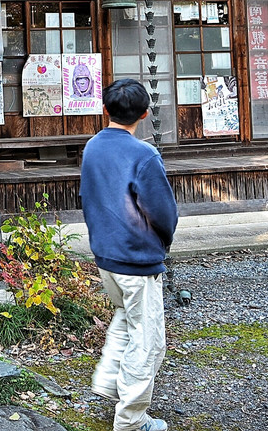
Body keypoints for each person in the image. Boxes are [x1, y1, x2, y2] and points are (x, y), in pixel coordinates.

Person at [80, 78, 178, 431]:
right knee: (148, 340)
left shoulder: (92, 147)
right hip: (137, 258)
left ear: (105, 109)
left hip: (106, 255)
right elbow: (163, 212)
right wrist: (162, 243)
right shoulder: (144, 154)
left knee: (125, 316)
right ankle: (131, 421)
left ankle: (107, 381)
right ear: (145, 114)